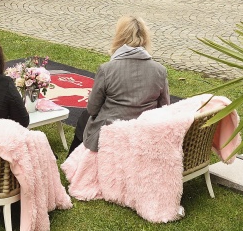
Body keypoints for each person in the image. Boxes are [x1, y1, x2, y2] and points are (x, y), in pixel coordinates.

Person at [69, 16, 170, 153]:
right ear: (145, 38)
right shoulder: (160, 70)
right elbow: (164, 109)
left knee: (84, 117)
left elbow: (93, 109)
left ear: (120, 38)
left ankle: (74, 160)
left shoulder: (107, 69)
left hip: (110, 134)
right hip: (143, 132)